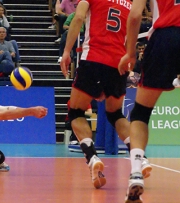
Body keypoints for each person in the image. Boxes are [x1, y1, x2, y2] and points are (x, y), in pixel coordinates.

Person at [60, 0, 151, 189]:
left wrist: (67, 51)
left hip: (93, 59)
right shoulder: (129, 4)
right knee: (115, 114)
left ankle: (92, 157)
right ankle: (140, 158)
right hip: (118, 64)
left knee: (75, 112)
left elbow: (77, 18)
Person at [118, 0, 180, 203]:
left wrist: (130, 53)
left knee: (141, 114)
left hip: (164, 38)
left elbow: (135, 15)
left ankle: (136, 172)